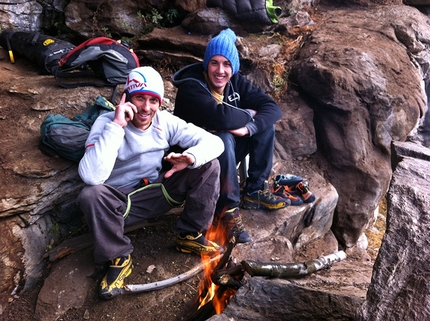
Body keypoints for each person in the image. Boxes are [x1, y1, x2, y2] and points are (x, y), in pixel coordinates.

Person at [76, 66, 225, 300]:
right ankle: (119, 256)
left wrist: (191, 158)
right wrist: (116, 126)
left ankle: (189, 235)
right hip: (120, 205)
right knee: (90, 194)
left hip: (158, 191)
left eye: (153, 100)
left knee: (209, 164)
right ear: (127, 98)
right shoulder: (106, 123)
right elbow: (91, 177)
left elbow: (215, 143)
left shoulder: (164, 121)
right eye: (140, 98)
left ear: (160, 101)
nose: (146, 108)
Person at [172, 28, 294, 244]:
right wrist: (248, 114)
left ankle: (255, 190)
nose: (220, 70)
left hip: (223, 156)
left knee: (264, 127)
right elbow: (223, 119)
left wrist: (248, 128)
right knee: (225, 138)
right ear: (206, 64)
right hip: (193, 163)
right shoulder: (191, 86)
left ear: (234, 67)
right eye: (214, 63)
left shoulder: (236, 82)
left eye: (227, 64)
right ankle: (227, 211)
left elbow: (272, 108)